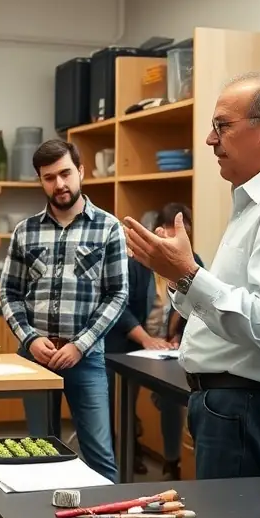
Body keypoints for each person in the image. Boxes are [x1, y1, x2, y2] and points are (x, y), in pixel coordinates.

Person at [123, 72, 260, 480]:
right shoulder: (259, 201)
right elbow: (229, 303)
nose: (211, 140)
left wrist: (188, 272)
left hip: (250, 407)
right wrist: (177, 277)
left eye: (222, 126)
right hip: (230, 405)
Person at [0, 139, 125, 483]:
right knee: (39, 453)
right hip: (34, 356)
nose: (60, 184)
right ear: (41, 181)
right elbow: (9, 294)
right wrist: (30, 338)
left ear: (81, 171)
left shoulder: (108, 227)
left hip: (85, 358)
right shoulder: (25, 231)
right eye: (49, 177)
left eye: (66, 174)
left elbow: (117, 295)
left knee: (100, 457)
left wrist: (79, 345)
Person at [106, 203, 204, 481]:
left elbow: (198, 307)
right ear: (158, 232)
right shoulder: (137, 262)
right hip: (128, 342)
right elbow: (118, 307)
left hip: (166, 349)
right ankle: (128, 449)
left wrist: (176, 337)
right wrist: (146, 339)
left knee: (172, 398)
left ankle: (171, 463)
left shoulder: (192, 261)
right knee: (120, 397)